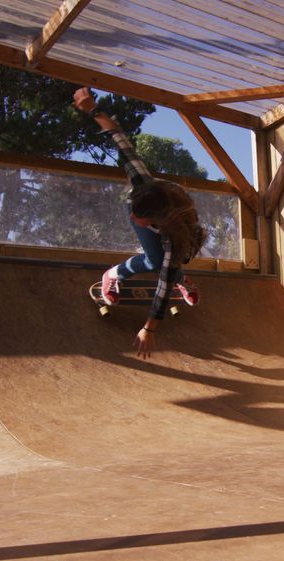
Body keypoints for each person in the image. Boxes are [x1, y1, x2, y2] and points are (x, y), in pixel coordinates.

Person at [73, 87, 206, 359]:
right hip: (145, 199)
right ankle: (112, 275)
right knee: (155, 260)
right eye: (133, 212)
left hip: (172, 231)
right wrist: (93, 109)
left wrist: (149, 329)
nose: (131, 219)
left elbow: (162, 288)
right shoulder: (143, 184)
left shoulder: (175, 237)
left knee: (163, 265)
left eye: (138, 216)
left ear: (159, 220)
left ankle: (184, 279)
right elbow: (120, 140)